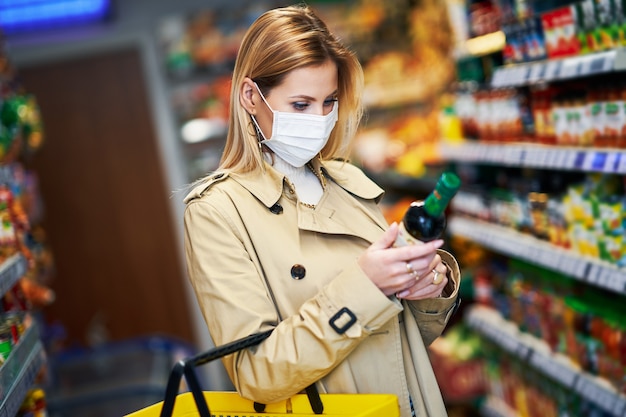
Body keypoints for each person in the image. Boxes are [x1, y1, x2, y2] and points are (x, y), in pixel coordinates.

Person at [183, 4, 461, 417]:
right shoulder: (217, 212)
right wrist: (367, 285)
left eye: (329, 101)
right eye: (300, 105)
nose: (320, 119)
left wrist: (427, 289)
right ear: (250, 97)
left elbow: (399, 343)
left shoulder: (348, 182)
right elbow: (257, 374)